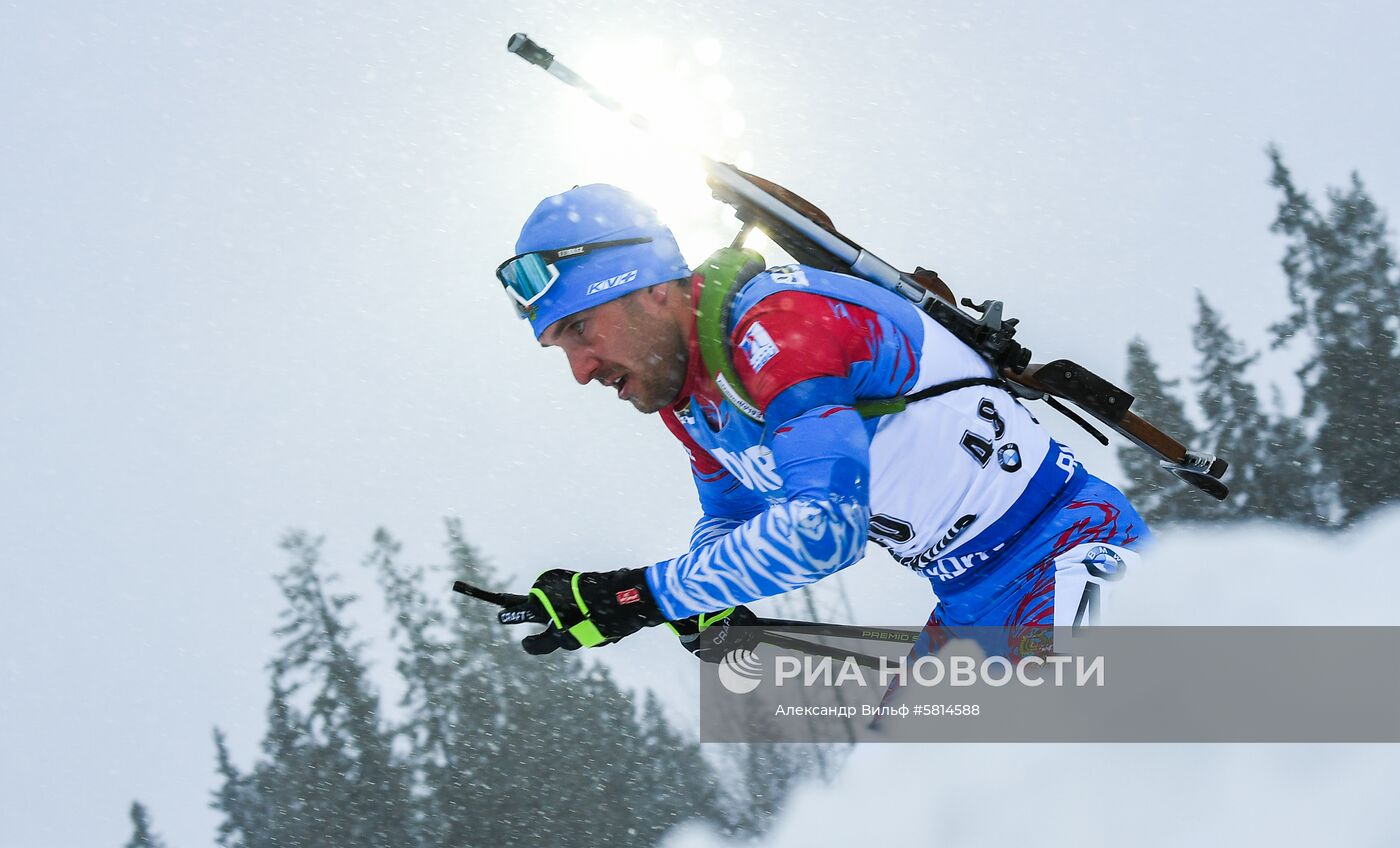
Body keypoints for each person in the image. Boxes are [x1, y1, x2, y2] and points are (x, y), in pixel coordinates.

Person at [492, 183, 1149, 662]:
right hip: (968, 599)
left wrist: (645, 595)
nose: (581, 369)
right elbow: (733, 512)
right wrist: (696, 595)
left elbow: (826, 531)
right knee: (907, 810)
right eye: (560, 347)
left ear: (652, 287)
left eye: (580, 328)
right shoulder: (689, 399)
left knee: (1072, 780)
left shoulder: (780, 325)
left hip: (1069, 548)